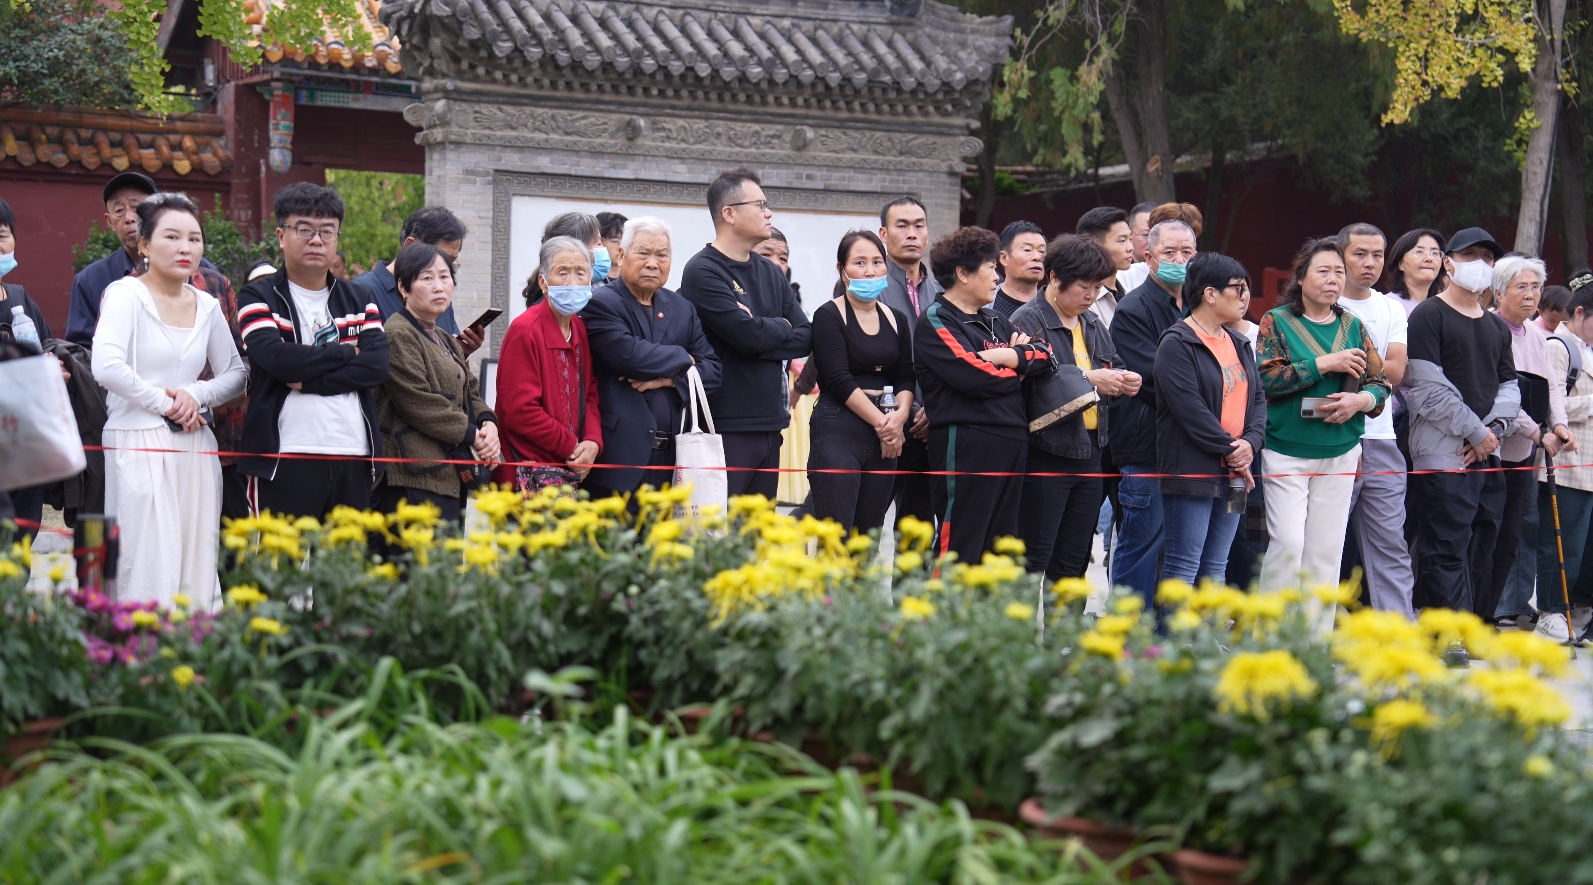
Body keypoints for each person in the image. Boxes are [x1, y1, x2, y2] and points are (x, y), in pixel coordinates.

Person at [90, 192, 246, 607]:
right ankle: (138, 659)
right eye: (173, 237)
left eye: (194, 239)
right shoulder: (124, 295)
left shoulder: (209, 305)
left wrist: (196, 393)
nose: (186, 248)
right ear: (144, 245)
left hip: (195, 444)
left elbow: (236, 374)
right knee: (146, 561)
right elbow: (106, 367)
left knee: (197, 562)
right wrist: (168, 404)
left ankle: (193, 660)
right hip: (137, 441)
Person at [237, 183, 390, 520]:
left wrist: (309, 381)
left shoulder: (359, 299)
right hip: (284, 455)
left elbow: (377, 366)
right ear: (281, 235)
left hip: (353, 452)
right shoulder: (257, 296)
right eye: (304, 229)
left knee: (345, 568)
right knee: (277, 569)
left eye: (327, 231)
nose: (316, 240)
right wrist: (346, 353)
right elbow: (276, 359)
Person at [1256, 239, 1390, 607]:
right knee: (1287, 543)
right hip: (1286, 451)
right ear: (1300, 278)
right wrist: (1325, 364)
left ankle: (1315, 643)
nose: (1333, 279)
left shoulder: (1354, 325)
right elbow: (1266, 378)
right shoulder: (1277, 321)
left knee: (1326, 551)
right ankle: (1272, 639)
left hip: (1341, 451)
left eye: (1338, 272)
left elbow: (1381, 383)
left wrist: (1360, 401)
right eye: (1323, 271)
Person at [915, 227, 1053, 564]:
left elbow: (1047, 356)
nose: (997, 275)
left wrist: (1007, 358)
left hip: (1012, 440)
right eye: (991, 267)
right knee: (960, 544)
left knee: (999, 549)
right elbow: (974, 375)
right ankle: (942, 616)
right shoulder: (937, 319)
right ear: (963, 273)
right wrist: (1020, 368)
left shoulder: (996, 319)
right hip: (966, 443)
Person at [1406, 227, 1518, 623]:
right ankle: (1443, 630)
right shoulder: (1428, 315)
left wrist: (1494, 432)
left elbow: (1509, 385)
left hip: (1488, 450)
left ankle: (1468, 626)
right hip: (1443, 449)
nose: (1480, 265)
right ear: (1448, 263)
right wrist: (1477, 433)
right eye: (1470, 255)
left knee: (1483, 541)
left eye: (1487, 258)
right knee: (1445, 543)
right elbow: (1428, 388)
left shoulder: (1496, 327)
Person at [1011, 235, 1137, 580]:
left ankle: (1063, 635)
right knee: (1033, 558)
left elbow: (1111, 366)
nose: (1091, 296)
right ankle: (1016, 633)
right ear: (1054, 278)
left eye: (1097, 288)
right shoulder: (1028, 321)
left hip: (1092, 451)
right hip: (1046, 452)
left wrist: (1124, 379)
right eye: (1083, 287)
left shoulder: (1092, 323)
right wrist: (1090, 379)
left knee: (1073, 560)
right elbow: (1030, 383)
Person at [681, 168, 812, 500]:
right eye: (760, 205)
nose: (769, 213)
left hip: (771, 422)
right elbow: (747, 336)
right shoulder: (703, 270)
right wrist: (778, 329)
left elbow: (806, 335)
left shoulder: (770, 271)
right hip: (727, 424)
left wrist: (761, 333)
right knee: (721, 536)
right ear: (730, 213)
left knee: (757, 535)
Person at [582, 217, 721, 498]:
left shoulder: (682, 308)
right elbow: (631, 357)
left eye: (662, 255)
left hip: (672, 459)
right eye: (643, 252)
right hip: (619, 459)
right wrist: (685, 358)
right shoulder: (601, 303)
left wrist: (669, 381)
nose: (652, 263)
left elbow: (714, 371)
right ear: (621, 255)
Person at [1155, 252, 1267, 587]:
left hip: (1237, 472)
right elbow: (1190, 409)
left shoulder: (1238, 342)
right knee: (1184, 564)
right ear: (1210, 294)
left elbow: (1257, 399)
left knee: (1218, 564)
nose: (1245, 295)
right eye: (1238, 287)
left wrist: (1250, 444)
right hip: (1194, 470)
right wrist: (1232, 449)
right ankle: (1175, 640)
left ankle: (1208, 638)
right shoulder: (1177, 343)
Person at [373, 243, 501, 522]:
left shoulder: (444, 337)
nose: (439, 286)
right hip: (411, 476)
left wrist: (488, 423)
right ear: (404, 288)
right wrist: (473, 436)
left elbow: (471, 392)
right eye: (426, 278)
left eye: (445, 277)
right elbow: (417, 402)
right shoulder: (398, 333)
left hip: (449, 473)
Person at [1108, 218, 1197, 603]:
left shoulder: (1198, 305)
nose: (1179, 259)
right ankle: (1128, 637)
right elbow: (1155, 380)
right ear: (1149, 256)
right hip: (1147, 445)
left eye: (1188, 252)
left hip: (1191, 445)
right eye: (1169, 252)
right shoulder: (1134, 309)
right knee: (1140, 545)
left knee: (1181, 552)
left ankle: (1167, 641)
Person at [804, 231, 915, 533]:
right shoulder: (828, 315)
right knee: (836, 537)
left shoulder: (897, 319)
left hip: (887, 430)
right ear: (841, 269)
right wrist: (885, 426)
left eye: (877, 262)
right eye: (860, 263)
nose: (870, 271)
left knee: (868, 537)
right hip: (839, 427)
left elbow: (906, 374)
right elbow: (838, 379)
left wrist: (899, 419)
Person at [1481, 255, 1571, 624]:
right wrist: (1538, 432)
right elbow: (1497, 394)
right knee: (1483, 535)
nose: (1531, 295)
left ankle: (1488, 613)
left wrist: (1560, 425)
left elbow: (1552, 387)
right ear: (1499, 291)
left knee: (1509, 537)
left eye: (1535, 287)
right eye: (1522, 287)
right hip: (1488, 450)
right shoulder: (1487, 328)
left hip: (1523, 455)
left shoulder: (1537, 335)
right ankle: (1473, 615)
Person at [1333, 223, 1414, 617]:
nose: (1370, 263)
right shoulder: (1320, 304)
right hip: (1330, 437)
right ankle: (1315, 631)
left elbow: (1396, 372)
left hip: (1381, 438)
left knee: (1389, 543)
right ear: (1340, 254)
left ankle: (1398, 633)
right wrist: (1373, 373)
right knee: (1324, 542)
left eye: (1378, 255)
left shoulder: (1390, 307)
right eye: (1359, 254)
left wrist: (1359, 373)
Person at [65, 171, 225, 346]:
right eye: (119, 211)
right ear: (109, 221)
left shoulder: (206, 275)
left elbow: (230, 348)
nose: (129, 218)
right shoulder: (91, 280)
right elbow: (81, 350)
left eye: (137, 208)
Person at [496, 236, 603, 489]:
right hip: (528, 475)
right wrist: (571, 448)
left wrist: (592, 442)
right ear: (544, 282)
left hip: (568, 473)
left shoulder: (578, 327)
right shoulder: (526, 330)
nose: (573, 282)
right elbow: (520, 411)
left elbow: (590, 393)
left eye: (581, 273)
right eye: (562, 273)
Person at [878, 196, 942, 524]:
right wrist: (905, 411)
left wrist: (935, 409)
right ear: (884, 234)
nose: (912, 234)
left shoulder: (943, 291)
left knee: (916, 530)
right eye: (901, 226)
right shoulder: (867, 288)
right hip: (881, 425)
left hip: (929, 427)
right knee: (864, 530)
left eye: (919, 226)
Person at [1536, 285, 1593, 640]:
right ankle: (1551, 611)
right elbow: (1548, 402)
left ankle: (1581, 610)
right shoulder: (1558, 347)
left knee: (1586, 548)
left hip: (1589, 465)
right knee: (1562, 543)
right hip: (1568, 463)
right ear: (1580, 313)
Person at [351, 207, 482, 355]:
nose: (445, 272)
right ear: (410, 246)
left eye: (450, 263)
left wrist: (461, 353)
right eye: (441, 258)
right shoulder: (362, 291)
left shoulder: (439, 295)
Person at [0, 197, 56, 537]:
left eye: (2, 234)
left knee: (22, 536)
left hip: (25, 443)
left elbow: (48, 348)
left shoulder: (20, 299)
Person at [524, 212, 607, 308]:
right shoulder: (565, 307)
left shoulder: (588, 299)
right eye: (598, 243)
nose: (603, 249)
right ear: (576, 248)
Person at [1075, 206, 1134, 328]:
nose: (1130, 248)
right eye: (1122, 241)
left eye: (1130, 239)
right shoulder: (1084, 301)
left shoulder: (1130, 293)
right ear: (1093, 244)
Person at [991, 220, 1046, 319]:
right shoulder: (985, 304)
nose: (1037, 257)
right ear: (1004, 258)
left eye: (1042, 251)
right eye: (1027, 250)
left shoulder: (1053, 308)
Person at [1385, 228, 1447, 315]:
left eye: (1435, 253)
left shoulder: (1443, 308)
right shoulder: (1387, 305)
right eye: (1419, 252)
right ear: (1400, 263)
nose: (1429, 259)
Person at [1117, 201, 1158, 292]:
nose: (1152, 241)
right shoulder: (1120, 274)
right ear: (1130, 234)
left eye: (1157, 235)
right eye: (1145, 234)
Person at [596, 211, 627, 277]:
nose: (621, 247)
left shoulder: (634, 282)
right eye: (615, 241)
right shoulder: (588, 280)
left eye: (625, 241)